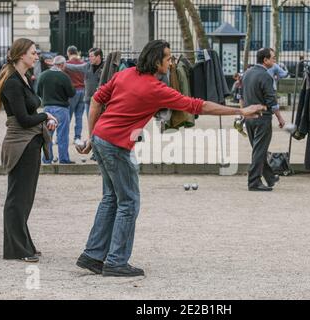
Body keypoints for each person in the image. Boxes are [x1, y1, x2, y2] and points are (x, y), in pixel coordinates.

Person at [74, 40, 265, 277]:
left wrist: (92, 136)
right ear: (157, 61)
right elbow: (197, 105)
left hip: (102, 138)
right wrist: (240, 111)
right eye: (168, 58)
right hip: (116, 146)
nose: (171, 61)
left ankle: (93, 255)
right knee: (128, 203)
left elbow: (95, 100)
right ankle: (115, 262)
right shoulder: (156, 89)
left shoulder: (125, 74)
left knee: (110, 199)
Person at [0, 38, 57, 262]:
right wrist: (45, 115)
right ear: (21, 55)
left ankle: (23, 243)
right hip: (21, 144)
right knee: (17, 198)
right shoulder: (12, 81)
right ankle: (16, 249)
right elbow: (24, 118)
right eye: (33, 53)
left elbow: (29, 115)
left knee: (25, 197)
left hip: (30, 143)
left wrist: (43, 118)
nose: (36, 56)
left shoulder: (23, 78)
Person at [242, 48, 286, 192]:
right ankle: (253, 181)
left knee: (258, 149)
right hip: (262, 118)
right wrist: (280, 117)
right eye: (273, 58)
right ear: (265, 60)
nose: (275, 61)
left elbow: (242, 96)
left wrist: (242, 114)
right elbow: (271, 101)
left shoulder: (247, 74)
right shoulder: (266, 76)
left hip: (249, 117)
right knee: (260, 150)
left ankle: (270, 177)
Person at [37, 55, 76, 164]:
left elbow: (38, 91)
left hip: (47, 108)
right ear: (62, 64)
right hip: (62, 108)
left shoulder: (43, 75)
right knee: (62, 135)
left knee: (47, 135)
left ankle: (47, 158)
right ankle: (63, 159)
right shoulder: (64, 76)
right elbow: (72, 93)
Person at [65, 47, 104, 117]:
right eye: (89, 56)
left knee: (99, 124)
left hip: (101, 101)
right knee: (90, 125)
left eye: (91, 56)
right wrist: (62, 64)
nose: (89, 58)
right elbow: (75, 67)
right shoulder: (87, 66)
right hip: (88, 101)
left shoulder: (105, 67)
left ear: (98, 57)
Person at [64, 45, 86, 146]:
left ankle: (64, 137)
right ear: (77, 53)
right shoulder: (83, 64)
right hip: (83, 91)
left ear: (68, 53)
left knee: (67, 116)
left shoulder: (66, 64)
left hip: (72, 92)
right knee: (79, 117)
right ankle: (77, 138)